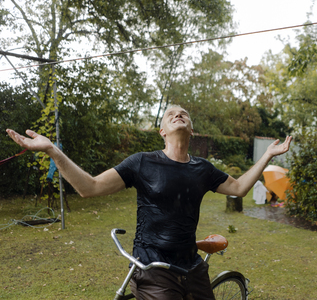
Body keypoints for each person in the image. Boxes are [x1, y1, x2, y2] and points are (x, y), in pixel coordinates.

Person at [6, 105, 292, 300]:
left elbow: (240, 188)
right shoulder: (142, 162)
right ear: (162, 131)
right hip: (153, 270)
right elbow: (89, 187)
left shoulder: (203, 169)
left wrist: (266, 156)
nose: (178, 114)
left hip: (192, 267)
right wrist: (52, 150)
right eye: (171, 114)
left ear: (191, 130)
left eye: (184, 114)